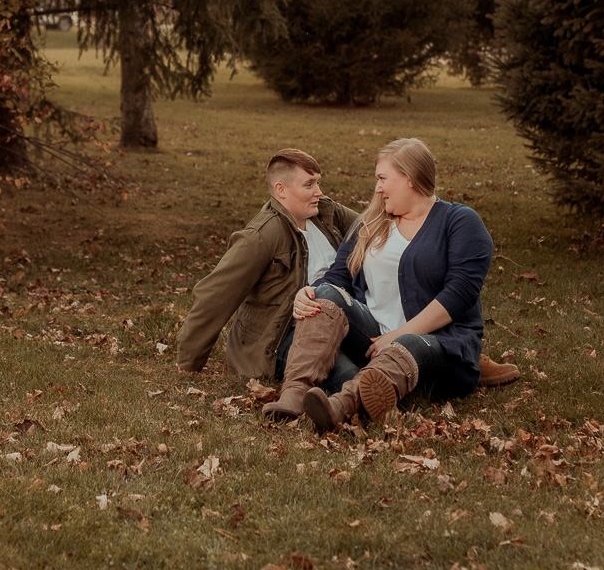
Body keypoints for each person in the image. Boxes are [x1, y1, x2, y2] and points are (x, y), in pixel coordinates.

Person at [176, 148, 520, 399]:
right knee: (350, 376)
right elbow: (215, 294)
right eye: (309, 185)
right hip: (287, 332)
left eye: (318, 183)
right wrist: (189, 361)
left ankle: (455, 353)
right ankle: (312, 395)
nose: (319, 192)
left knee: (338, 306)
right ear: (282, 191)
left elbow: (377, 229)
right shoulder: (261, 237)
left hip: (341, 321)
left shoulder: (325, 213)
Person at [262, 137, 497, 431]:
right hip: (373, 340)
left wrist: (397, 336)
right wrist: (307, 294)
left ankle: (339, 407)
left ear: (409, 178)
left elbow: (459, 295)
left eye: (383, 178)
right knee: (324, 294)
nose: (378, 188)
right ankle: (294, 395)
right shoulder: (371, 222)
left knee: (407, 344)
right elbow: (337, 278)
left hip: (437, 345)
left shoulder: (459, 221)